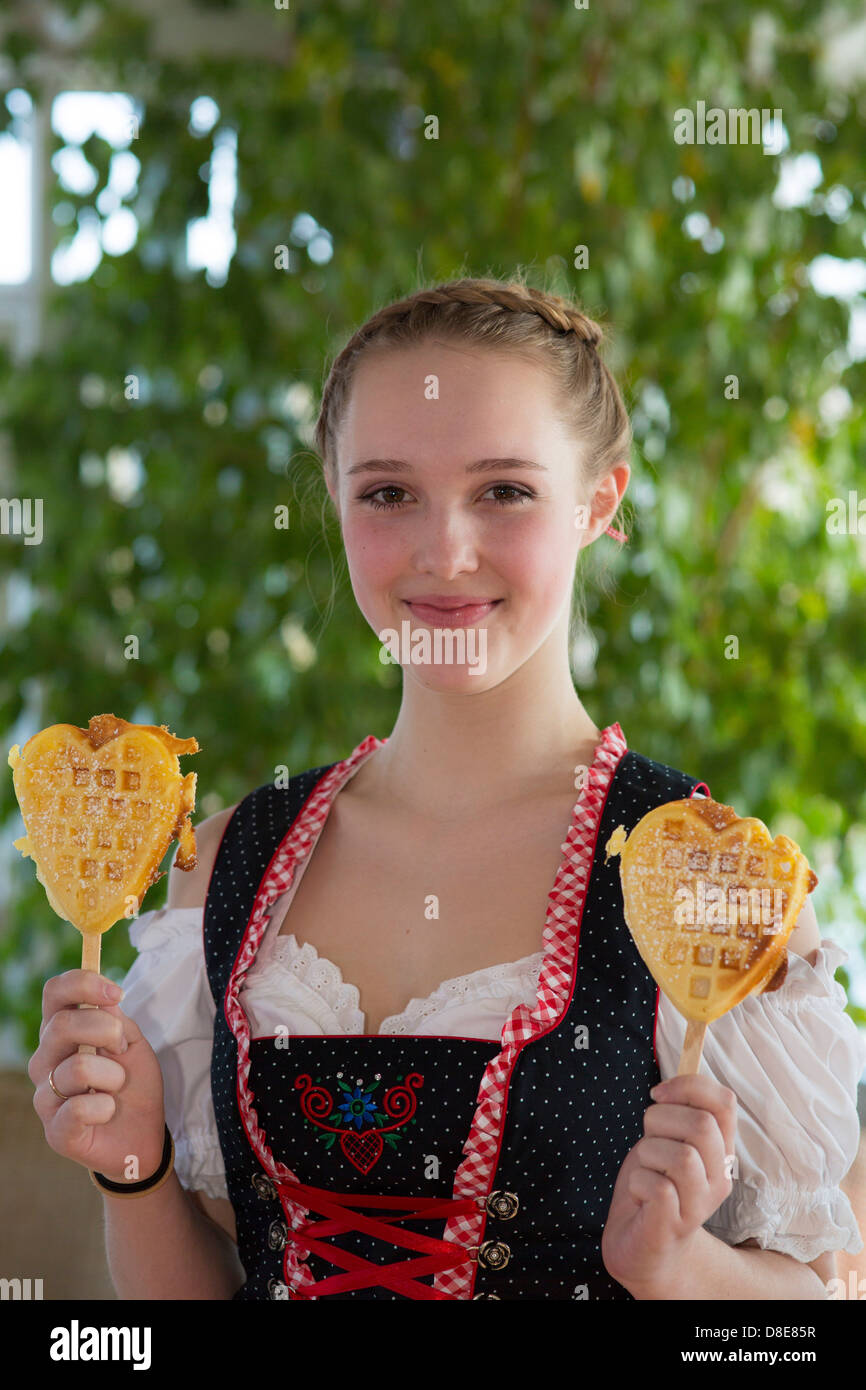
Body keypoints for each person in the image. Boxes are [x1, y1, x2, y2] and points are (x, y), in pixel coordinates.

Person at [29, 275, 866, 1300]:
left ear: (598, 500)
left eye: (503, 490)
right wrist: (136, 1169)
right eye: (387, 492)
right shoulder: (227, 865)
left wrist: (682, 1271)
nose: (444, 550)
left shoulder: (704, 881)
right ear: (334, 496)